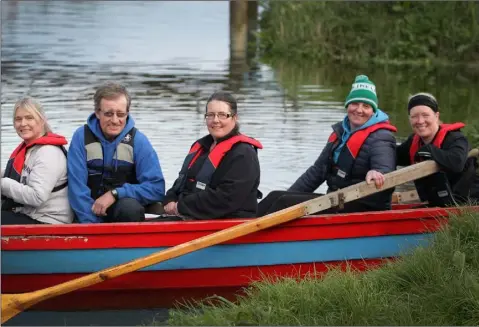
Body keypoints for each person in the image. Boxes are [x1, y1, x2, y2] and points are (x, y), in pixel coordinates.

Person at [258, 75, 397, 216]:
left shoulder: (382, 137)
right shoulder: (341, 133)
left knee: (284, 202)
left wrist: (378, 172)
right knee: (277, 196)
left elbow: (385, 169)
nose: (359, 110)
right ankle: (241, 226)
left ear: (373, 111)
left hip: (364, 206)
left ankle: (254, 237)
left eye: (366, 106)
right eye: (355, 103)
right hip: (339, 200)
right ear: (348, 105)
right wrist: (288, 194)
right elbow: (317, 172)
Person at [67, 82, 165, 223]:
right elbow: (76, 189)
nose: (115, 120)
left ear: (127, 113)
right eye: (108, 114)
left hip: (122, 212)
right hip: (86, 214)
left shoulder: (139, 141)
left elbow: (156, 189)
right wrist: (93, 227)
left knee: (130, 208)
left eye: (120, 114)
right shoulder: (81, 137)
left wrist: (116, 193)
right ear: (97, 113)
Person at [162, 91, 262, 220]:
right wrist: (170, 199)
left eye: (222, 115)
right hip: (190, 216)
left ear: (235, 118)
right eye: (210, 115)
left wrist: (180, 207)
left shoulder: (244, 154)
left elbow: (226, 199)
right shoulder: (201, 147)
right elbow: (183, 182)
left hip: (227, 225)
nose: (215, 120)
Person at [392, 92, 478, 206]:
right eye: (414, 116)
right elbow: (393, 156)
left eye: (425, 115)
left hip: (468, 202)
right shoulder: (413, 142)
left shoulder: (456, 138)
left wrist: (430, 150)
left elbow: (457, 163)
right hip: (439, 202)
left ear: (436, 116)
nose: (420, 121)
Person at [1, 97, 74, 225]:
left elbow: (37, 197)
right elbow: (25, 176)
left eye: (29, 118)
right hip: (30, 214)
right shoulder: (30, 149)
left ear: (41, 121)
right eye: (18, 119)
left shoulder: (48, 152)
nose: (23, 123)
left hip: (48, 221)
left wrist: (2, 184)